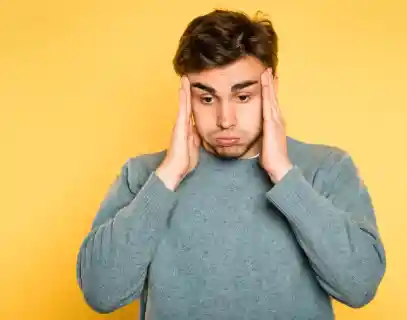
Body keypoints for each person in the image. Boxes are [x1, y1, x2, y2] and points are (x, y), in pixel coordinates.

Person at [76, 9, 386, 320]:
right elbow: (101, 293)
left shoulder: (326, 168)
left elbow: (358, 286)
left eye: (243, 97)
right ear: (186, 96)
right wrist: (169, 176)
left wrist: (284, 174)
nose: (226, 121)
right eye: (207, 99)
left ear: (271, 88)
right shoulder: (145, 175)